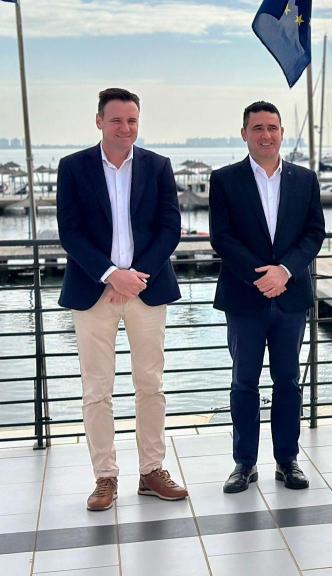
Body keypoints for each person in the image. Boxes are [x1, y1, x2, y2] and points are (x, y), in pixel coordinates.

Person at [56, 87, 188, 510]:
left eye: (132, 120)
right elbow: (69, 232)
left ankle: (151, 471)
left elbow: (170, 227)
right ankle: (105, 477)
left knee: (150, 384)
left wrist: (135, 278)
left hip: (147, 291)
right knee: (97, 389)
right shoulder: (73, 168)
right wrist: (112, 275)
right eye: (116, 120)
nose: (125, 128)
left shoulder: (158, 166)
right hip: (93, 292)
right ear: (99, 122)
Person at [209, 101, 325, 493]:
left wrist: (285, 271)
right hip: (245, 297)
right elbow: (221, 236)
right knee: (243, 382)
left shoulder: (305, 179)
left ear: (281, 132)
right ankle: (244, 463)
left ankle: (287, 460)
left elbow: (314, 234)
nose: (265, 135)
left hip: (290, 296)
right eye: (257, 128)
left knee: (288, 380)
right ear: (244, 133)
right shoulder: (225, 179)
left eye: (272, 127)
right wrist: (261, 276)